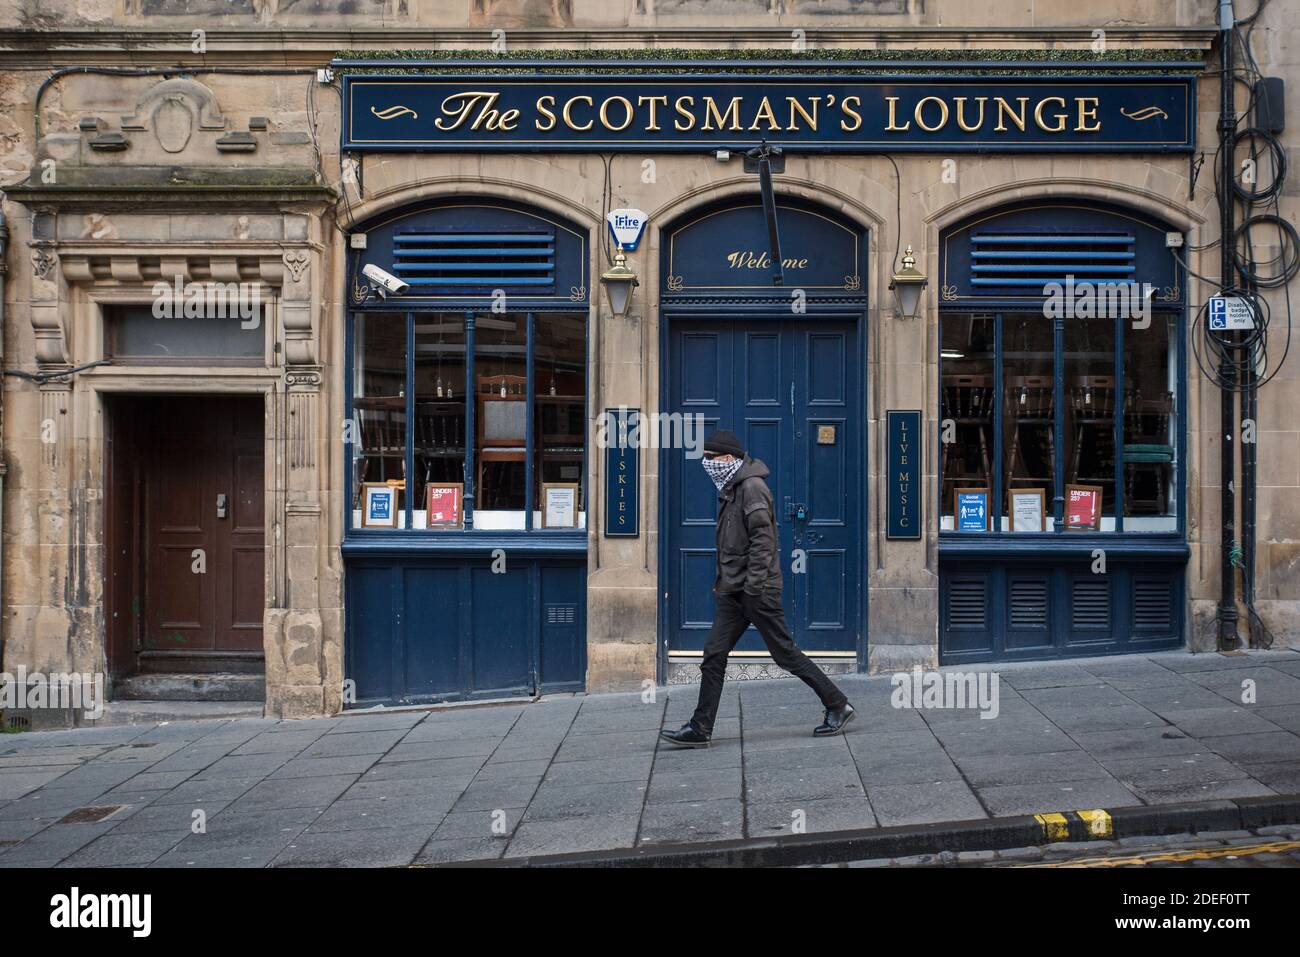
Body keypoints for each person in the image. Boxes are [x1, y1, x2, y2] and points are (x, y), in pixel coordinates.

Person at [660, 429, 855, 748]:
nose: (706, 464)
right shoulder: (731, 488)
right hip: (733, 591)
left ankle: (837, 705)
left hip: (755, 591)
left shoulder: (752, 488)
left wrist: (752, 589)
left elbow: (764, 543)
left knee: (785, 654)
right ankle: (701, 726)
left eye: (710, 459)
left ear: (727, 459)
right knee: (714, 653)